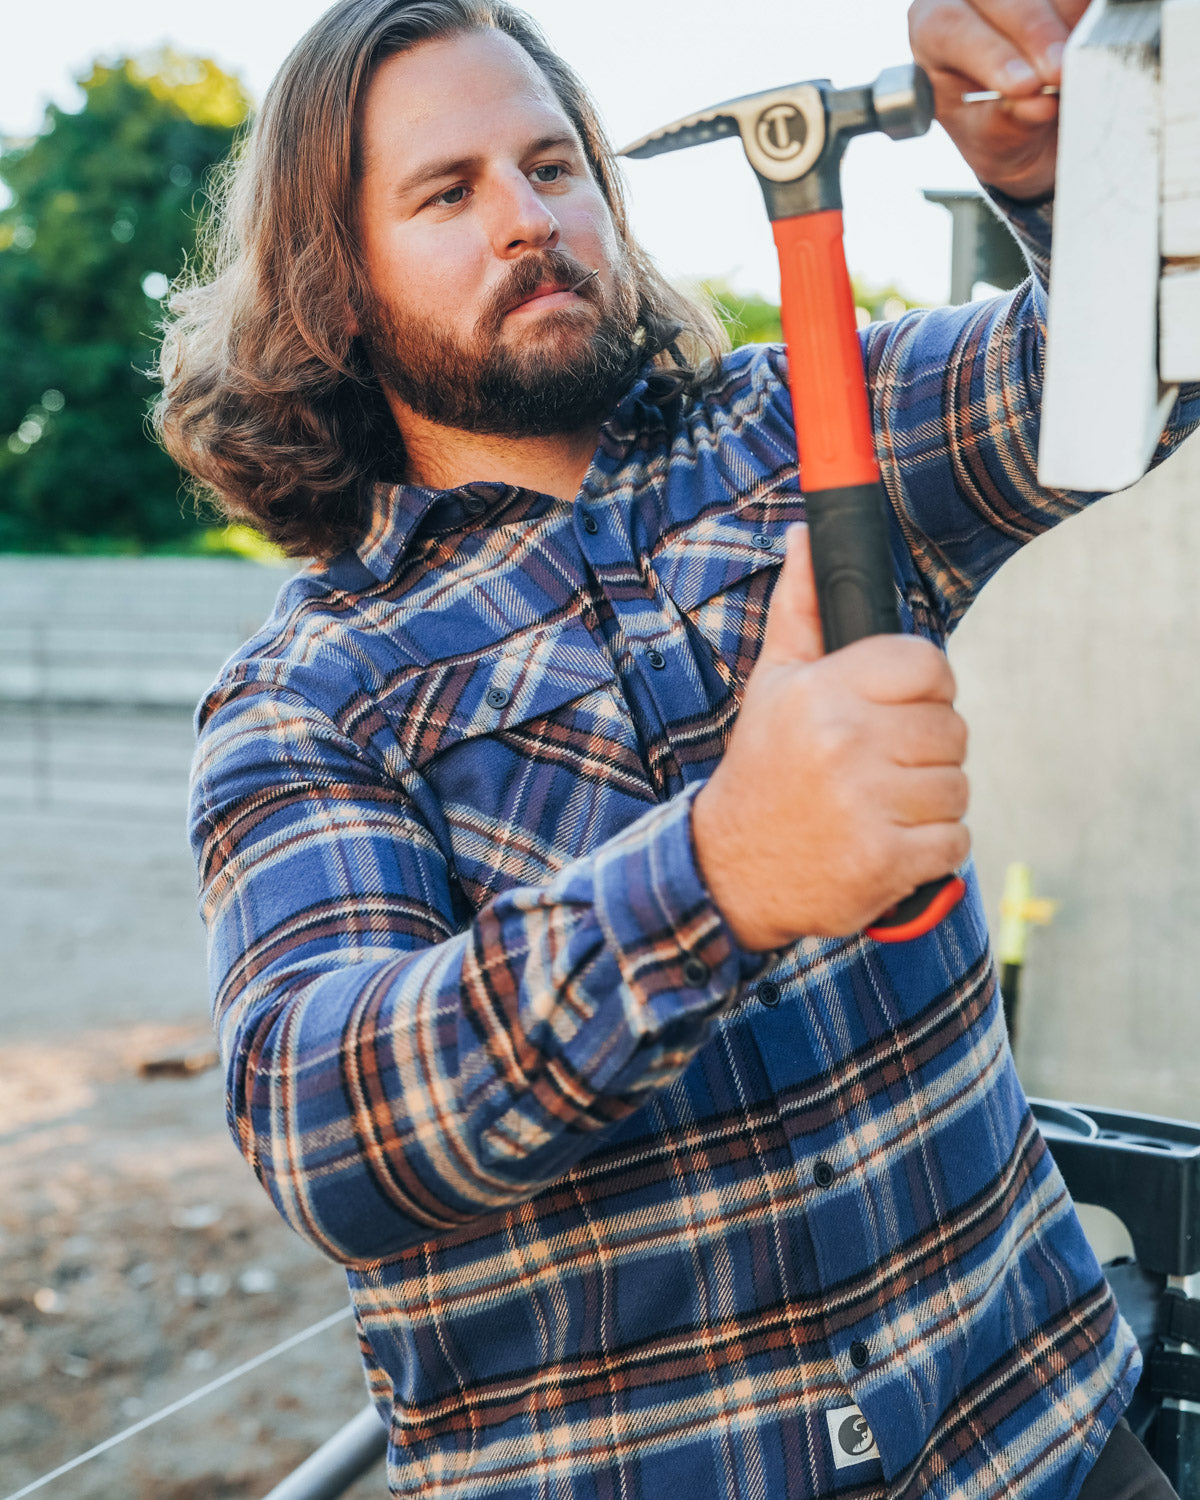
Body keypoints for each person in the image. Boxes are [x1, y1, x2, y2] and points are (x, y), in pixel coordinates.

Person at [154, 1, 1197, 1495]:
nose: (529, 217)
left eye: (554, 165)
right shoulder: (308, 695)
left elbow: (1130, 372)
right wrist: (722, 874)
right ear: (339, 291)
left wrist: (1062, 178)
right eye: (449, 193)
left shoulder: (803, 426)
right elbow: (331, 1128)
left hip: (1040, 1436)